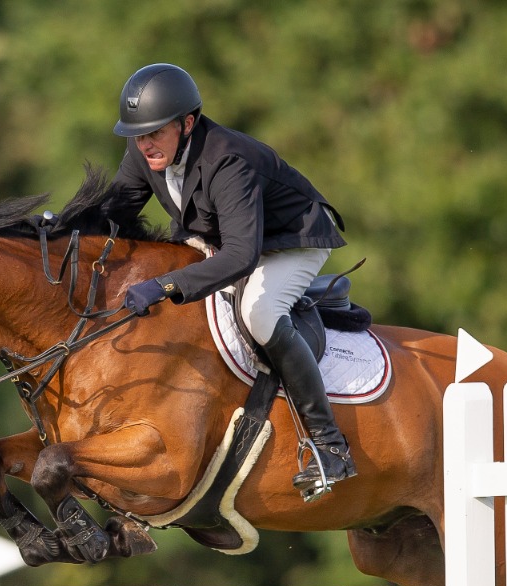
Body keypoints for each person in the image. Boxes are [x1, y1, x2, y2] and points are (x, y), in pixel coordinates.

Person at [101, 62, 356, 500]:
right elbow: (111, 215)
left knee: (258, 313)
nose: (145, 144)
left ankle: (330, 447)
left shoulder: (227, 159)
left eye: (155, 133)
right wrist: (53, 229)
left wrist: (164, 286)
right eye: (138, 135)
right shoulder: (143, 153)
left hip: (289, 240)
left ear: (187, 123)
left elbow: (242, 255)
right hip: (231, 239)